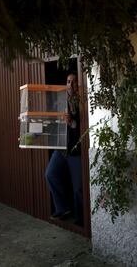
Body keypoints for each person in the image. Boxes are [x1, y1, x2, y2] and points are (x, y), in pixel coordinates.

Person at [45, 73, 83, 226]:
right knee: (50, 174)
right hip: (60, 149)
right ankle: (62, 208)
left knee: (78, 188)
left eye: (74, 82)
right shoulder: (59, 101)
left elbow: (81, 124)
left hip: (75, 151)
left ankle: (81, 219)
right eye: (68, 81)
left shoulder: (82, 102)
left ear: (78, 84)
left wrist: (72, 122)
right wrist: (31, 134)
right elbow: (50, 121)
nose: (71, 84)